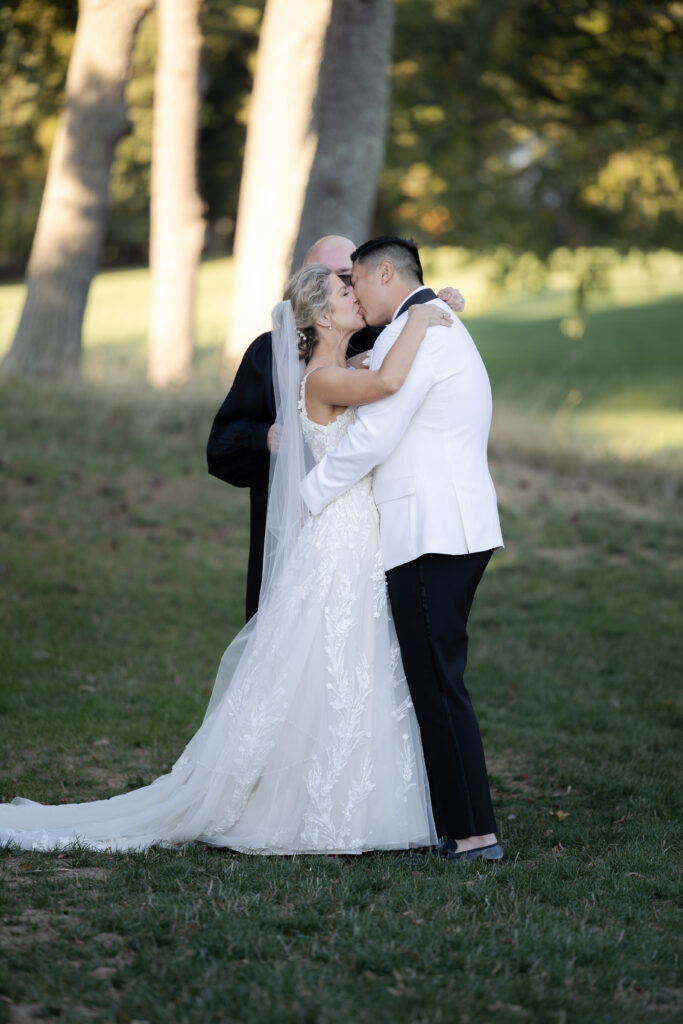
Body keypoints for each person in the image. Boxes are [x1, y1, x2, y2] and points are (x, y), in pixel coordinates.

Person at [0, 263, 452, 855]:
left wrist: (418, 311)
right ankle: (310, 804)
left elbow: (378, 370)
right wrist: (421, 314)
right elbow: (392, 383)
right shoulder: (321, 380)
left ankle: (356, 800)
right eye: (345, 290)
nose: (355, 294)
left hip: (353, 535)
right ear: (322, 315)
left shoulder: (342, 368)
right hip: (340, 539)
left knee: (349, 664)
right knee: (330, 662)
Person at [300, 236, 504, 864]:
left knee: (438, 686)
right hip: (460, 526)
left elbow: (371, 441)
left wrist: (311, 492)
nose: (353, 292)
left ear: (383, 273)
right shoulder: (440, 326)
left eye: (355, 280)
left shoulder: (415, 333)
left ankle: (472, 835)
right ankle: (462, 827)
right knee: (438, 680)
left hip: (429, 532)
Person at [206, 234, 464, 620]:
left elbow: (401, 359)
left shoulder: (375, 335)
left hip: (367, 524)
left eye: (349, 278)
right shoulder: (271, 355)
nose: (348, 291)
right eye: (331, 282)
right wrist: (266, 439)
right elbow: (221, 450)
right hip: (301, 527)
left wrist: (431, 303)